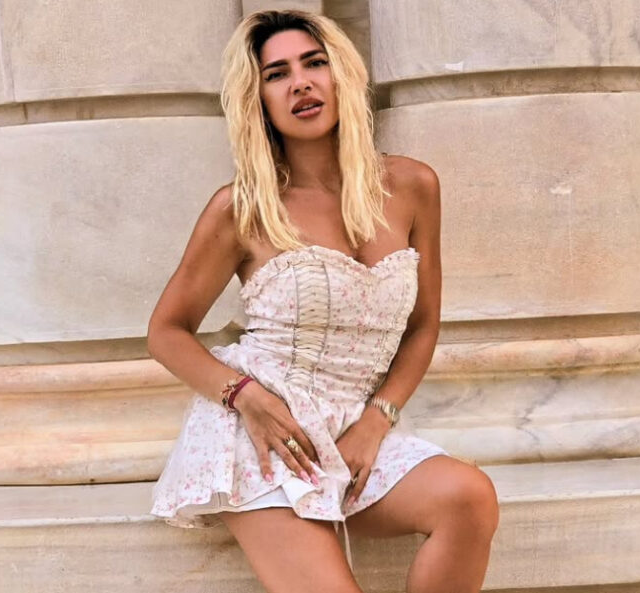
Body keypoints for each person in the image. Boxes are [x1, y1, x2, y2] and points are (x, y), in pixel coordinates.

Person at [148, 9, 499, 593]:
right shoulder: (243, 209)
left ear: (342, 75)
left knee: (469, 498)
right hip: (266, 436)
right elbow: (166, 331)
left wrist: (376, 421)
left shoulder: (412, 187)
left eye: (314, 63)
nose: (301, 83)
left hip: (354, 426)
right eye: (276, 74)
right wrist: (246, 397)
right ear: (258, 100)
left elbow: (422, 326)